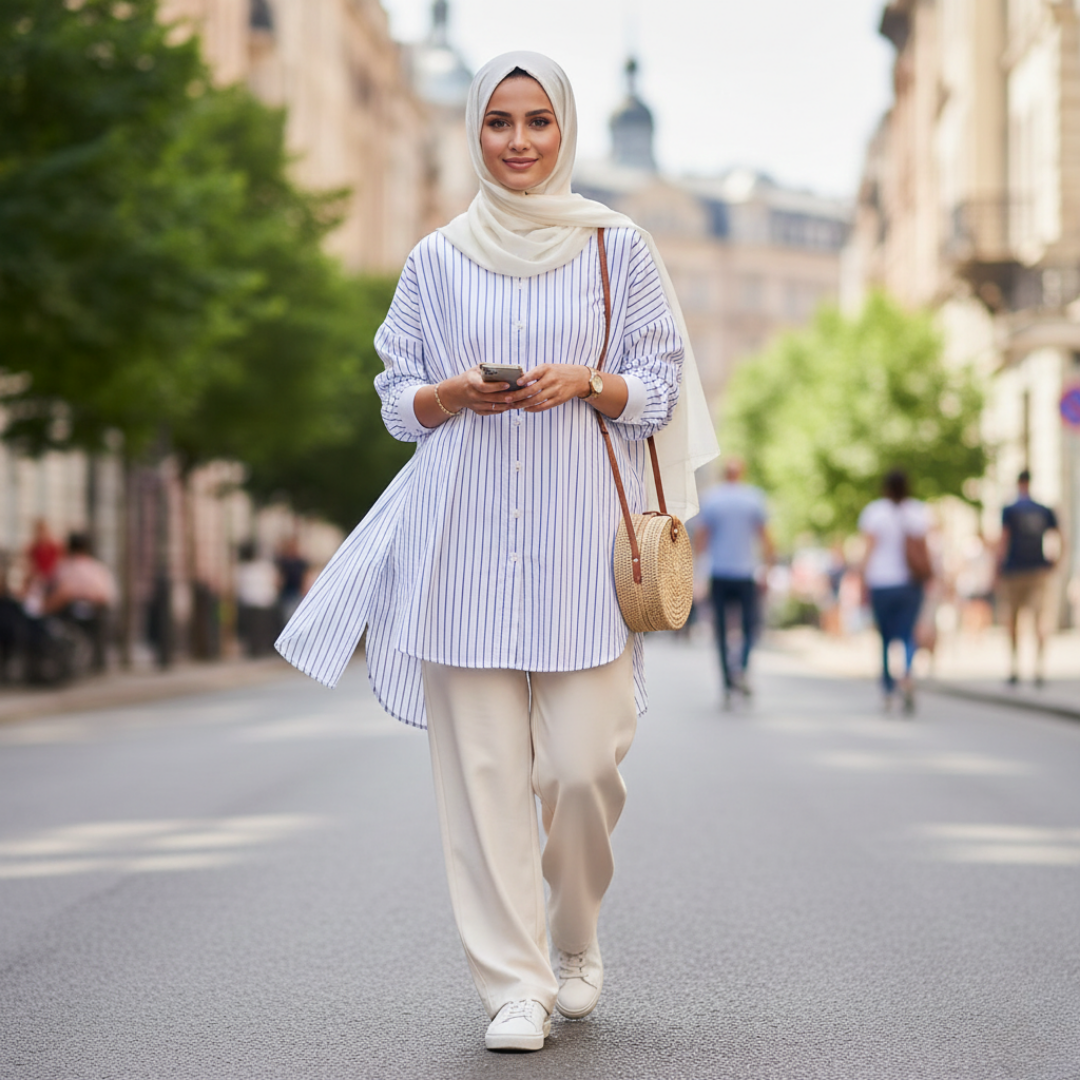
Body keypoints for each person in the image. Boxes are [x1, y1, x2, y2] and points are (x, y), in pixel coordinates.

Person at [275, 52, 717, 1053]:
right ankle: (513, 985)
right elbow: (397, 398)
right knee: (481, 782)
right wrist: (453, 394)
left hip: (584, 554)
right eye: (498, 123)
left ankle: (575, 934)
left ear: (564, 131)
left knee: (581, 767)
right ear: (476, 133)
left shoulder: (620, 246)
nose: (518, 141)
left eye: (537, 122)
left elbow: (658, 379)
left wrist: (589, 385)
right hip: (462, 544)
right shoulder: (435, 259)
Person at [694, 458, 774, 700]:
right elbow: (766, 539)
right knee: (749, 627)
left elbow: (701, 539)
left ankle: (728, 682)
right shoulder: (753, 498)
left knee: (720, 630)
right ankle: (741, 667)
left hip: (719, 572)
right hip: (745, 572)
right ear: (741, 473)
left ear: (723, 474)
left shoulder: (712, 499)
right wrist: (768, 570)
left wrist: (698, 573)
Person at [858, 469, 931, 714]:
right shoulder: (917, 511)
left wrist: (861, 579)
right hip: (910, 584)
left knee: (886, 638)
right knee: (908, 633)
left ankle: (888, 688)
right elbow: (925, 550)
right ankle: (907, 674)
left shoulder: (875, 512)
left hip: (881, 583)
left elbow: (868, 550)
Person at [997, 469, 1061, 686]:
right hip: (1038, 571)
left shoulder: (1010, 509)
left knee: (1012, 620)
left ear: (1018, 484)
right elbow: (1058, 538)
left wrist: (997, 568)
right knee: (1040, 619)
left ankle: (1014, 667)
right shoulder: (1044, 510)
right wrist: (1054, 562)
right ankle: (1039, 668)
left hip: (1014, 570)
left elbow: (1003, 540)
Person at [43, 532, 117, 671]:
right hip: (95, 613)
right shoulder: (98, 569)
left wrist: (46, 608)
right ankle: (98, 662)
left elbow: (60, 592)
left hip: (71, 613)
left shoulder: (64, 568)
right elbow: (107, 595)